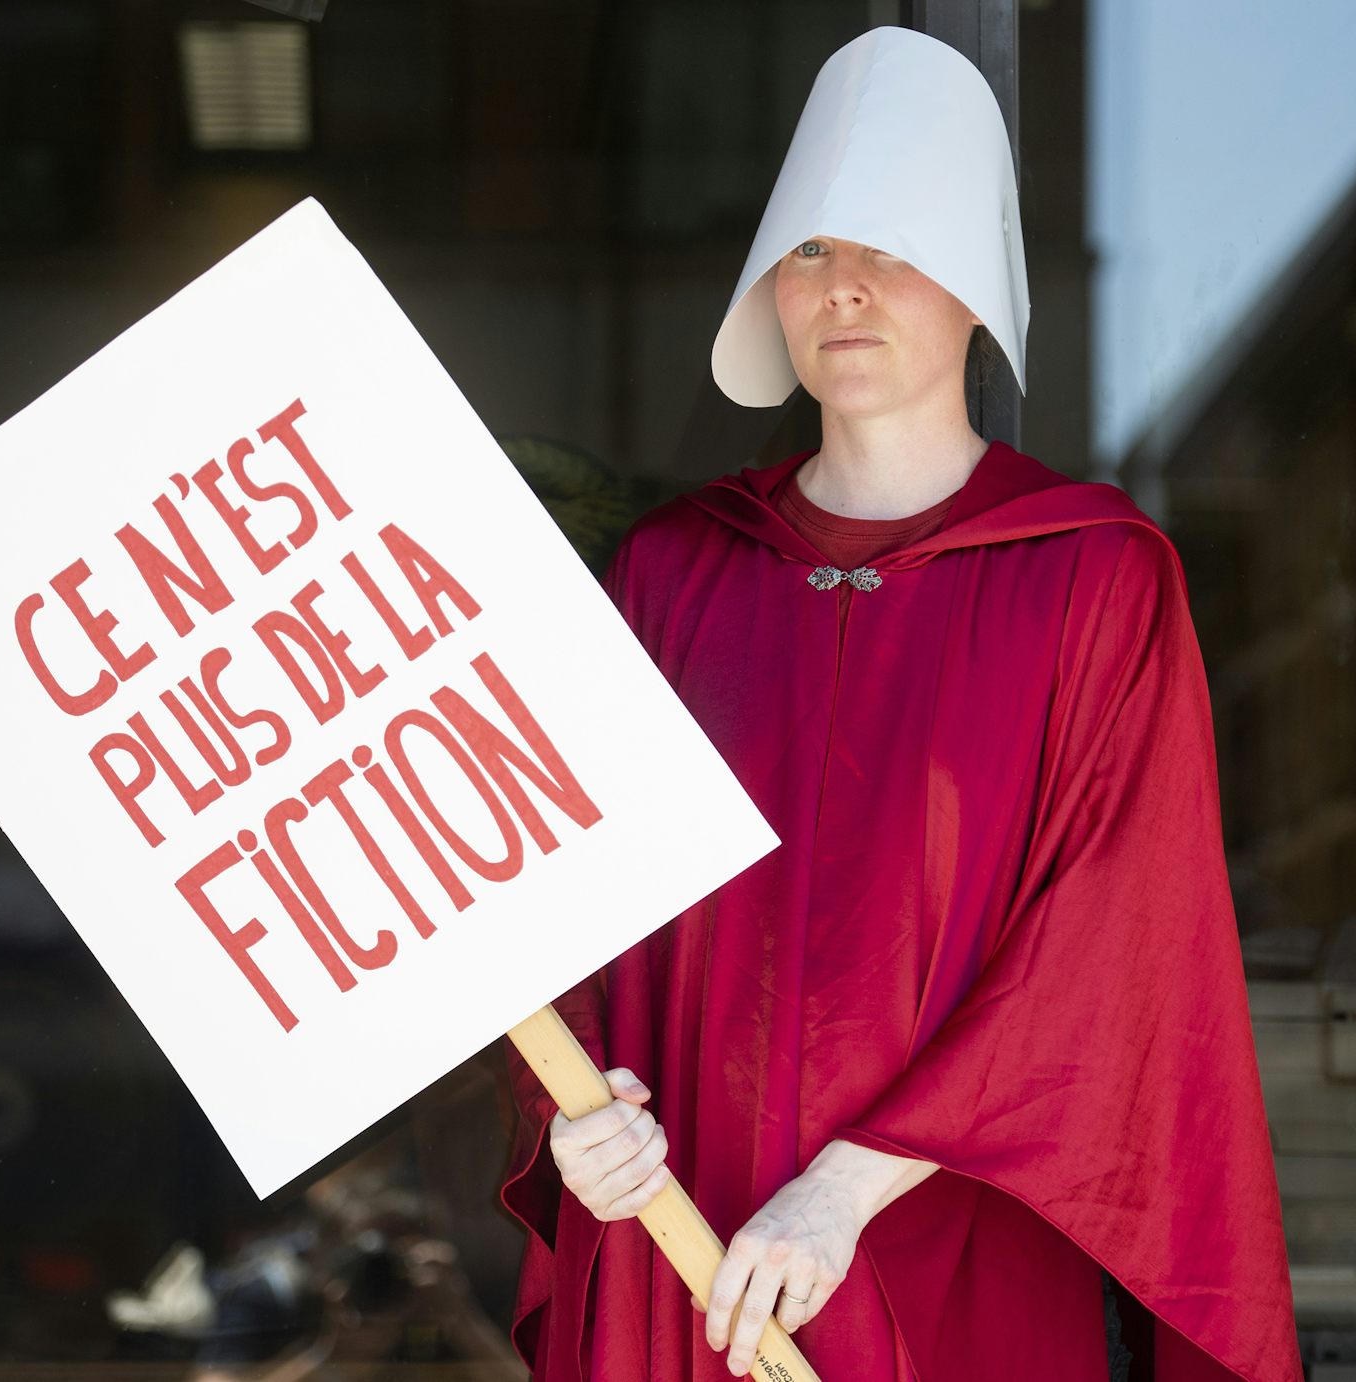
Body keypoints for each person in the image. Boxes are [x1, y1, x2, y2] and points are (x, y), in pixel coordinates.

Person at [499, 26, 1301, 1382]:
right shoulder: (673, 575)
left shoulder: (1093, 583)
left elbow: (1114, 956)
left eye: (890, 248)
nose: (846, 289)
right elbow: (568, 904)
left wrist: (847, 1188)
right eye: (812, 251)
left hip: (951, 1260)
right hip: (684, 1253)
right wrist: (575, 1113)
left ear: (977, 286)